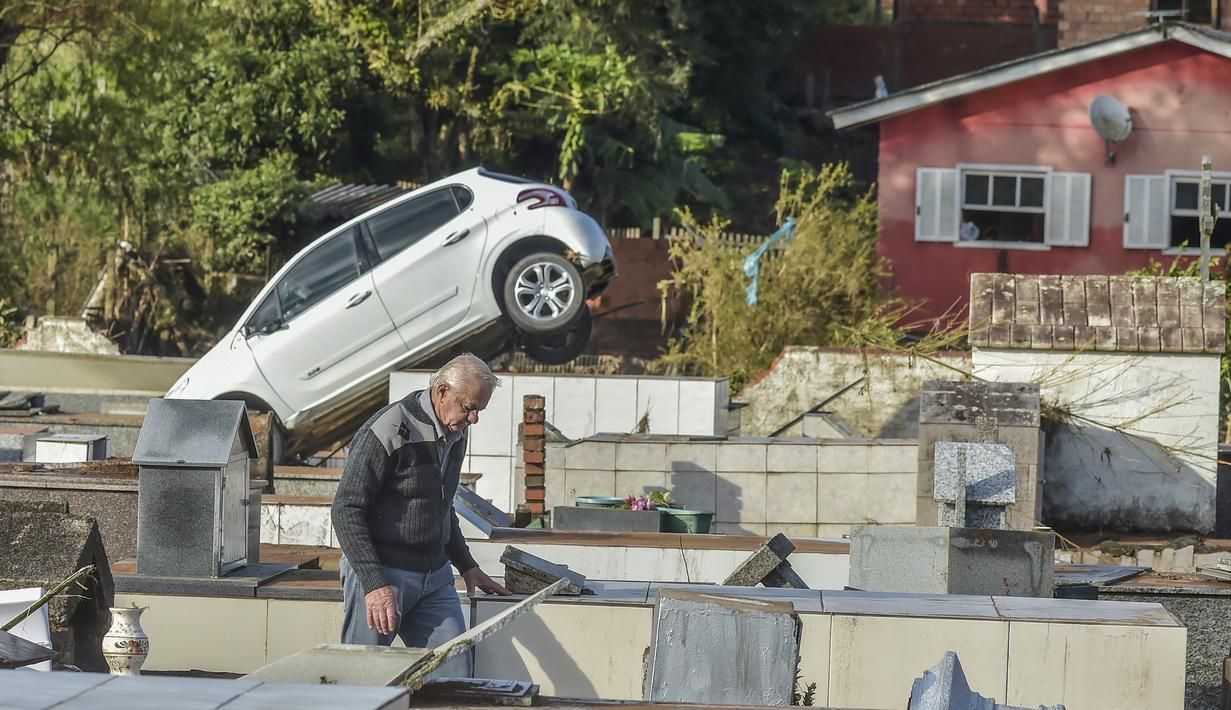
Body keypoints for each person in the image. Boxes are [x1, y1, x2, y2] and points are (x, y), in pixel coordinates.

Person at [331, 352, 510, 674]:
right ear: (442, 392)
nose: (473, 419)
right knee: (359, 678)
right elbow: (346, 509)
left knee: (454, 671)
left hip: (435, 576)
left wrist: (467, 565)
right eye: (469, 408)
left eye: (478, 410)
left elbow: (442, 505)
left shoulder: (455, 431)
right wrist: (374, 583)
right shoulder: (388, 428)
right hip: (383, 574)